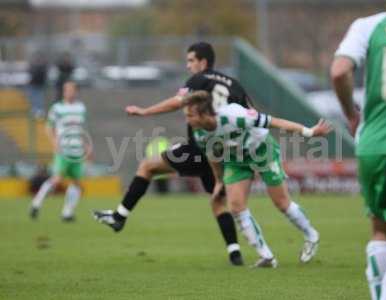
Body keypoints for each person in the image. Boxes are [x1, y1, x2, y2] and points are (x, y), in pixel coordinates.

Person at [93, 42, 252, 266]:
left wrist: (144, 111)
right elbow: (251, 115)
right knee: (218, 202)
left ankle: (119, 217)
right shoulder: (235, 85)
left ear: (203, 62)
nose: (188, 66)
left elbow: (178, 102)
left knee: (147, 166)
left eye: (190, 61)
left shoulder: (198, 80)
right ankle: (235, 253)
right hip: (224, 153)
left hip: (199, 148)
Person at [181, 91, 331, 267]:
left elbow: (275, 122)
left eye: (190, 115)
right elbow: (212, 154)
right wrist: (219, 181)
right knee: (236, 207)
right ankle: (267, 256)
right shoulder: (199, 134)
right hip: (235, 160)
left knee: (282, 203)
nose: (187, 120)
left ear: (205, 114)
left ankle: (311, 235)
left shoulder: (235, 116)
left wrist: (309, 132)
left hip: (262, 151)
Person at [331, 1, 386, 299]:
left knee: (381, 230)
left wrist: (350, 113)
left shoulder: (367, 25)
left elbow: (339, 71)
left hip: (370, 142)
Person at [30, 81, 90, 222]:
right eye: (66, 90)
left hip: (77, 150)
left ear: (76, 91)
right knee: (57, 179)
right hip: (63, 149)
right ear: (63, 92)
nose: (69, 92)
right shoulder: (57, 108)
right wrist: (54, 142)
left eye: (71, 90)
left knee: (76, 183)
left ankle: (67, 213)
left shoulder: (81, 108)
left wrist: (87, 146)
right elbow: (49, 127)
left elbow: (83, 129)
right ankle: (36, 203)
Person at [27, 52, 48, 119]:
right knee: (33, 98)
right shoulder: (33, 66)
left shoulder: (43, 66)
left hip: (40, 85)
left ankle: (40, 111)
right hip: (33, 84)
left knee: (40, 98)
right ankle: (34, 110)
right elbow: (30, 73)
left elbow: (44, 75)